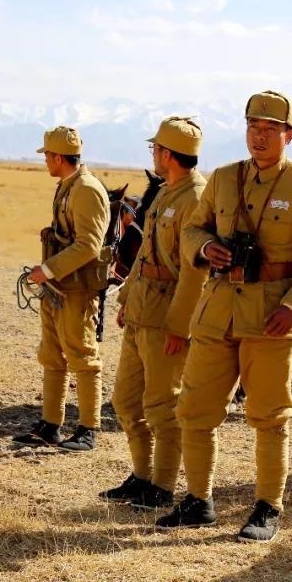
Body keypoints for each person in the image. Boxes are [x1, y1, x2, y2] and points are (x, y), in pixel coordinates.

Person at [157, 91, 292, 543]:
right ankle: (199, 501)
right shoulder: (221, 179)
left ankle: (267, 507)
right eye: (252, 127)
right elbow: (194, 228)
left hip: (271, 317)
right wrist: (203, 247)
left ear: (288, 135)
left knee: (269, 415)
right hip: (217, 311)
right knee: (195, 410)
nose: (259, 136)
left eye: (269, 130)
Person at [100, 117, 208, 509]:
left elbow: (195, 274)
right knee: (127, 401)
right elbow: (146, 254)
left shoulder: (196, 198)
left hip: (167, 319)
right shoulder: (166, 192)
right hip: (142, 311)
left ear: (166, 154)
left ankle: (161, 487)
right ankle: (141, 476)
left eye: (155, 150)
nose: (153, 156)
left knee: (162, 406)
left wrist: (181, 326)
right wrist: (127, 297)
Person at [13, 126, 109, 451]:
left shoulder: (87, 190)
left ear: (57, 157)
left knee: (82, 355)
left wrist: (49, 268)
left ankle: (88, 429)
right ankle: (50, 425)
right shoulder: (67, 186)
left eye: (47, 156)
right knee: (52, 355)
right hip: (56, 287)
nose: (45, 162)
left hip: (77, 289)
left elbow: (89, 245)